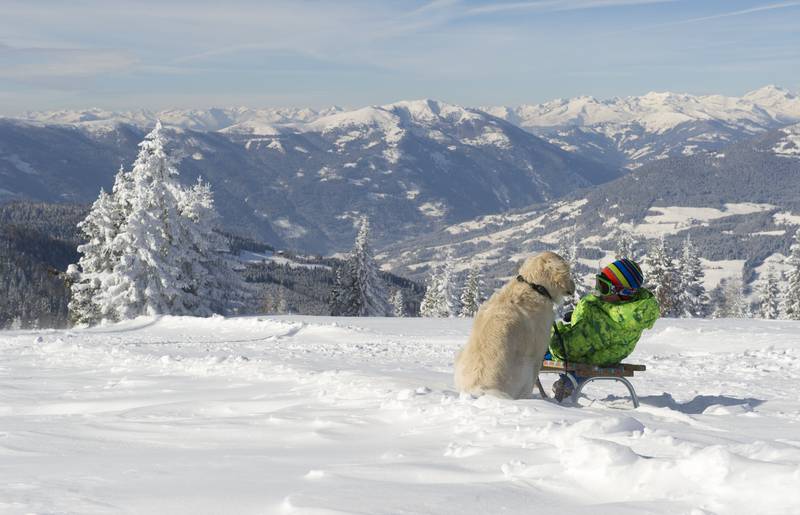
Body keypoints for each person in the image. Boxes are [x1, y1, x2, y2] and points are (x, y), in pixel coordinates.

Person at [548, 258, 660, 400]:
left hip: (580, 356)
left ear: (624, 293)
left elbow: (563, 349)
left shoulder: (606, 322)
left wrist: (549, 330)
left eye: (604, 287)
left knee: (534, 347)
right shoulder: (626, 313)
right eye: (598, 283)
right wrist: (578, 319)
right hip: (598, 355)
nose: (598, 290)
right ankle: (568, 382)